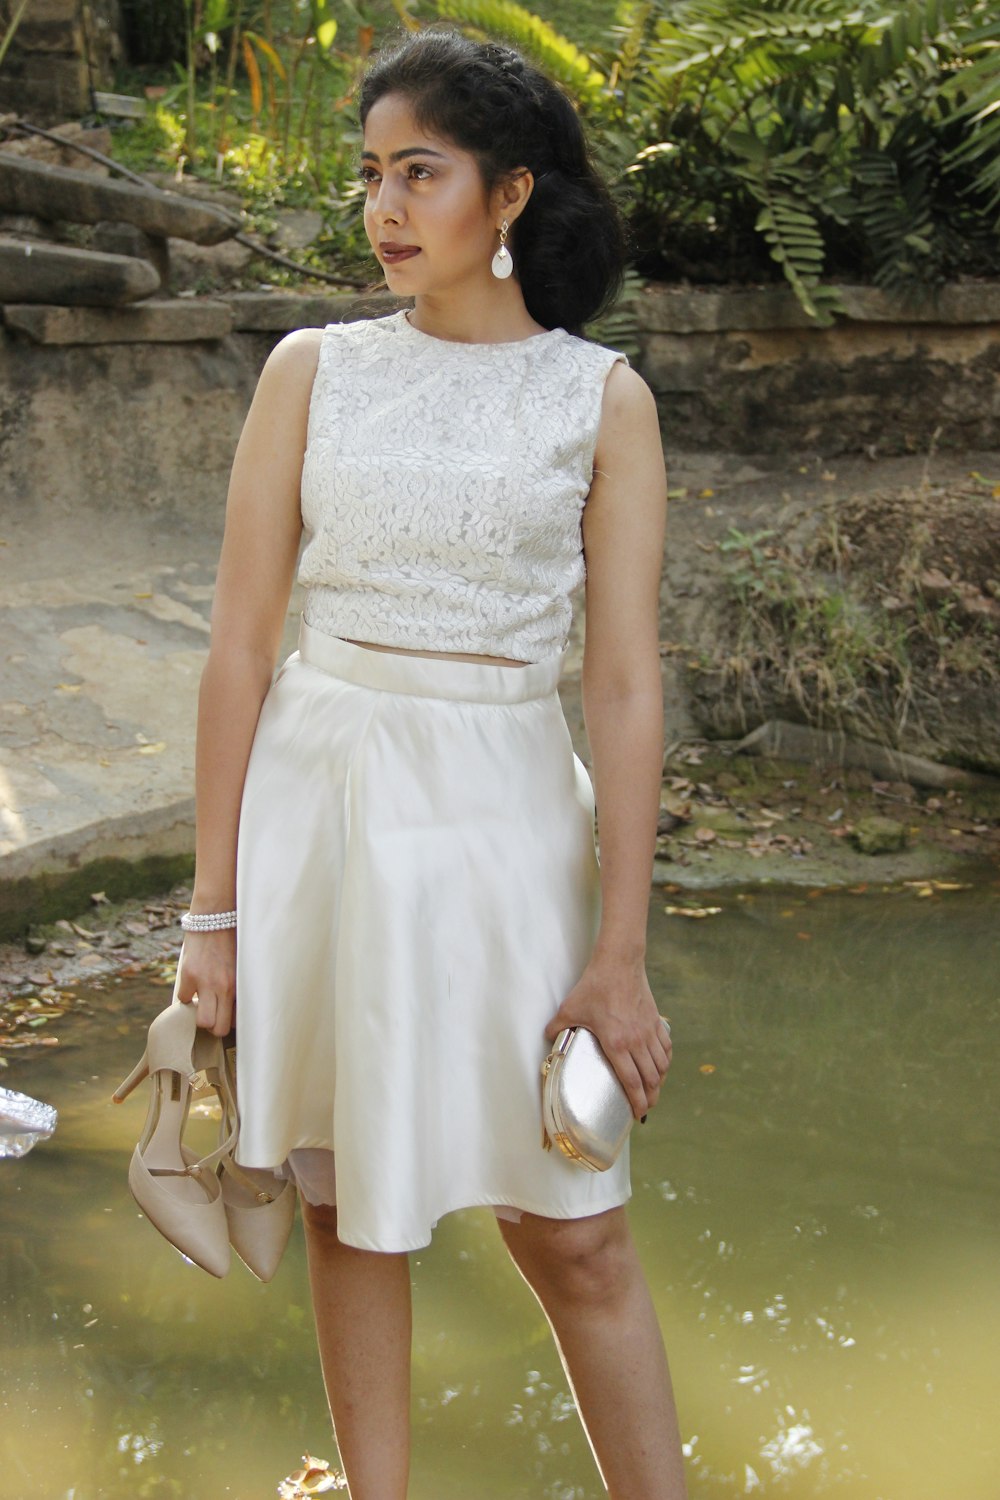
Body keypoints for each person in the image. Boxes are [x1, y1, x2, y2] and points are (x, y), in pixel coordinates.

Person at [175, 25, 687, 1500]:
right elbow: (237, 648)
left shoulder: (602, 400)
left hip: (509, 818)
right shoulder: (311, 369)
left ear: (509, 194)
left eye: (422, 174)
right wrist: (208, 913)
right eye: (370, 177)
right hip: (323, 799)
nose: (385, 210)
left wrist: (624, 951)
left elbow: (626, 678)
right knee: (353, 1202)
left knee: (577, 1222)